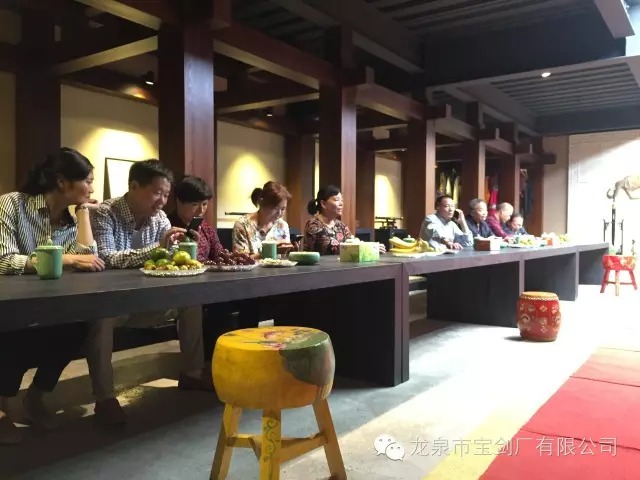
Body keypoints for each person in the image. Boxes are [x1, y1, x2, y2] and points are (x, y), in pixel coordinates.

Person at [89, 160, 209, 427]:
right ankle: (105, 399)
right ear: (134, 186)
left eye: (166, 195)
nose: (162, 201)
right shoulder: (106, 212)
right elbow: (107, 258)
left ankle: (192, 373)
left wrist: (181, 249)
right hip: (116, 305)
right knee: (101, 317)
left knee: (191, 301)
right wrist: (158, 248)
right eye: (157, 193)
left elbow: (167, 258)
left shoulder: (160, 218)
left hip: (149, 303)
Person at [0, 147, 105, 444]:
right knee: (15, 332)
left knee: (76, 327)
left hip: (49, 304)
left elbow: (90, 260)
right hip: (9, 304)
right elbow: (4, 260)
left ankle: (36, 397)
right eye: (88, 181)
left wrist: (83, 213)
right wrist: (66, 259)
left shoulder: (70, 220)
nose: (92, 189)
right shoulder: (12, 204)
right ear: (62, 182)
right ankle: (3, 405)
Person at [304, 185, 386, 255]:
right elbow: (331, 248)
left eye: (342, 200)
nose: (341, 203)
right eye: (337, 200)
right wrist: (370, 248)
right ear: (323, 204)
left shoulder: (340, 225)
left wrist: (372, 246)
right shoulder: (313, 225)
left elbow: (353, 241)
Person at [167, 175, 224, 262]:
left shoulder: (206, 228)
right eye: (195, 204)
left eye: (205, 204)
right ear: (179, 202)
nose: (201, 210)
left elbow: (220, 255)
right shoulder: (166, 225)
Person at [232, 181, 293, 257]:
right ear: (261, 203)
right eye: (275, 208)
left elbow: (285, 258)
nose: (279, 213)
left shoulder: (282, 225)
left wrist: (292, 252)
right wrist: (271, 251)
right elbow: (241, 259)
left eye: (283, 209)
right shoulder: (243, 225)